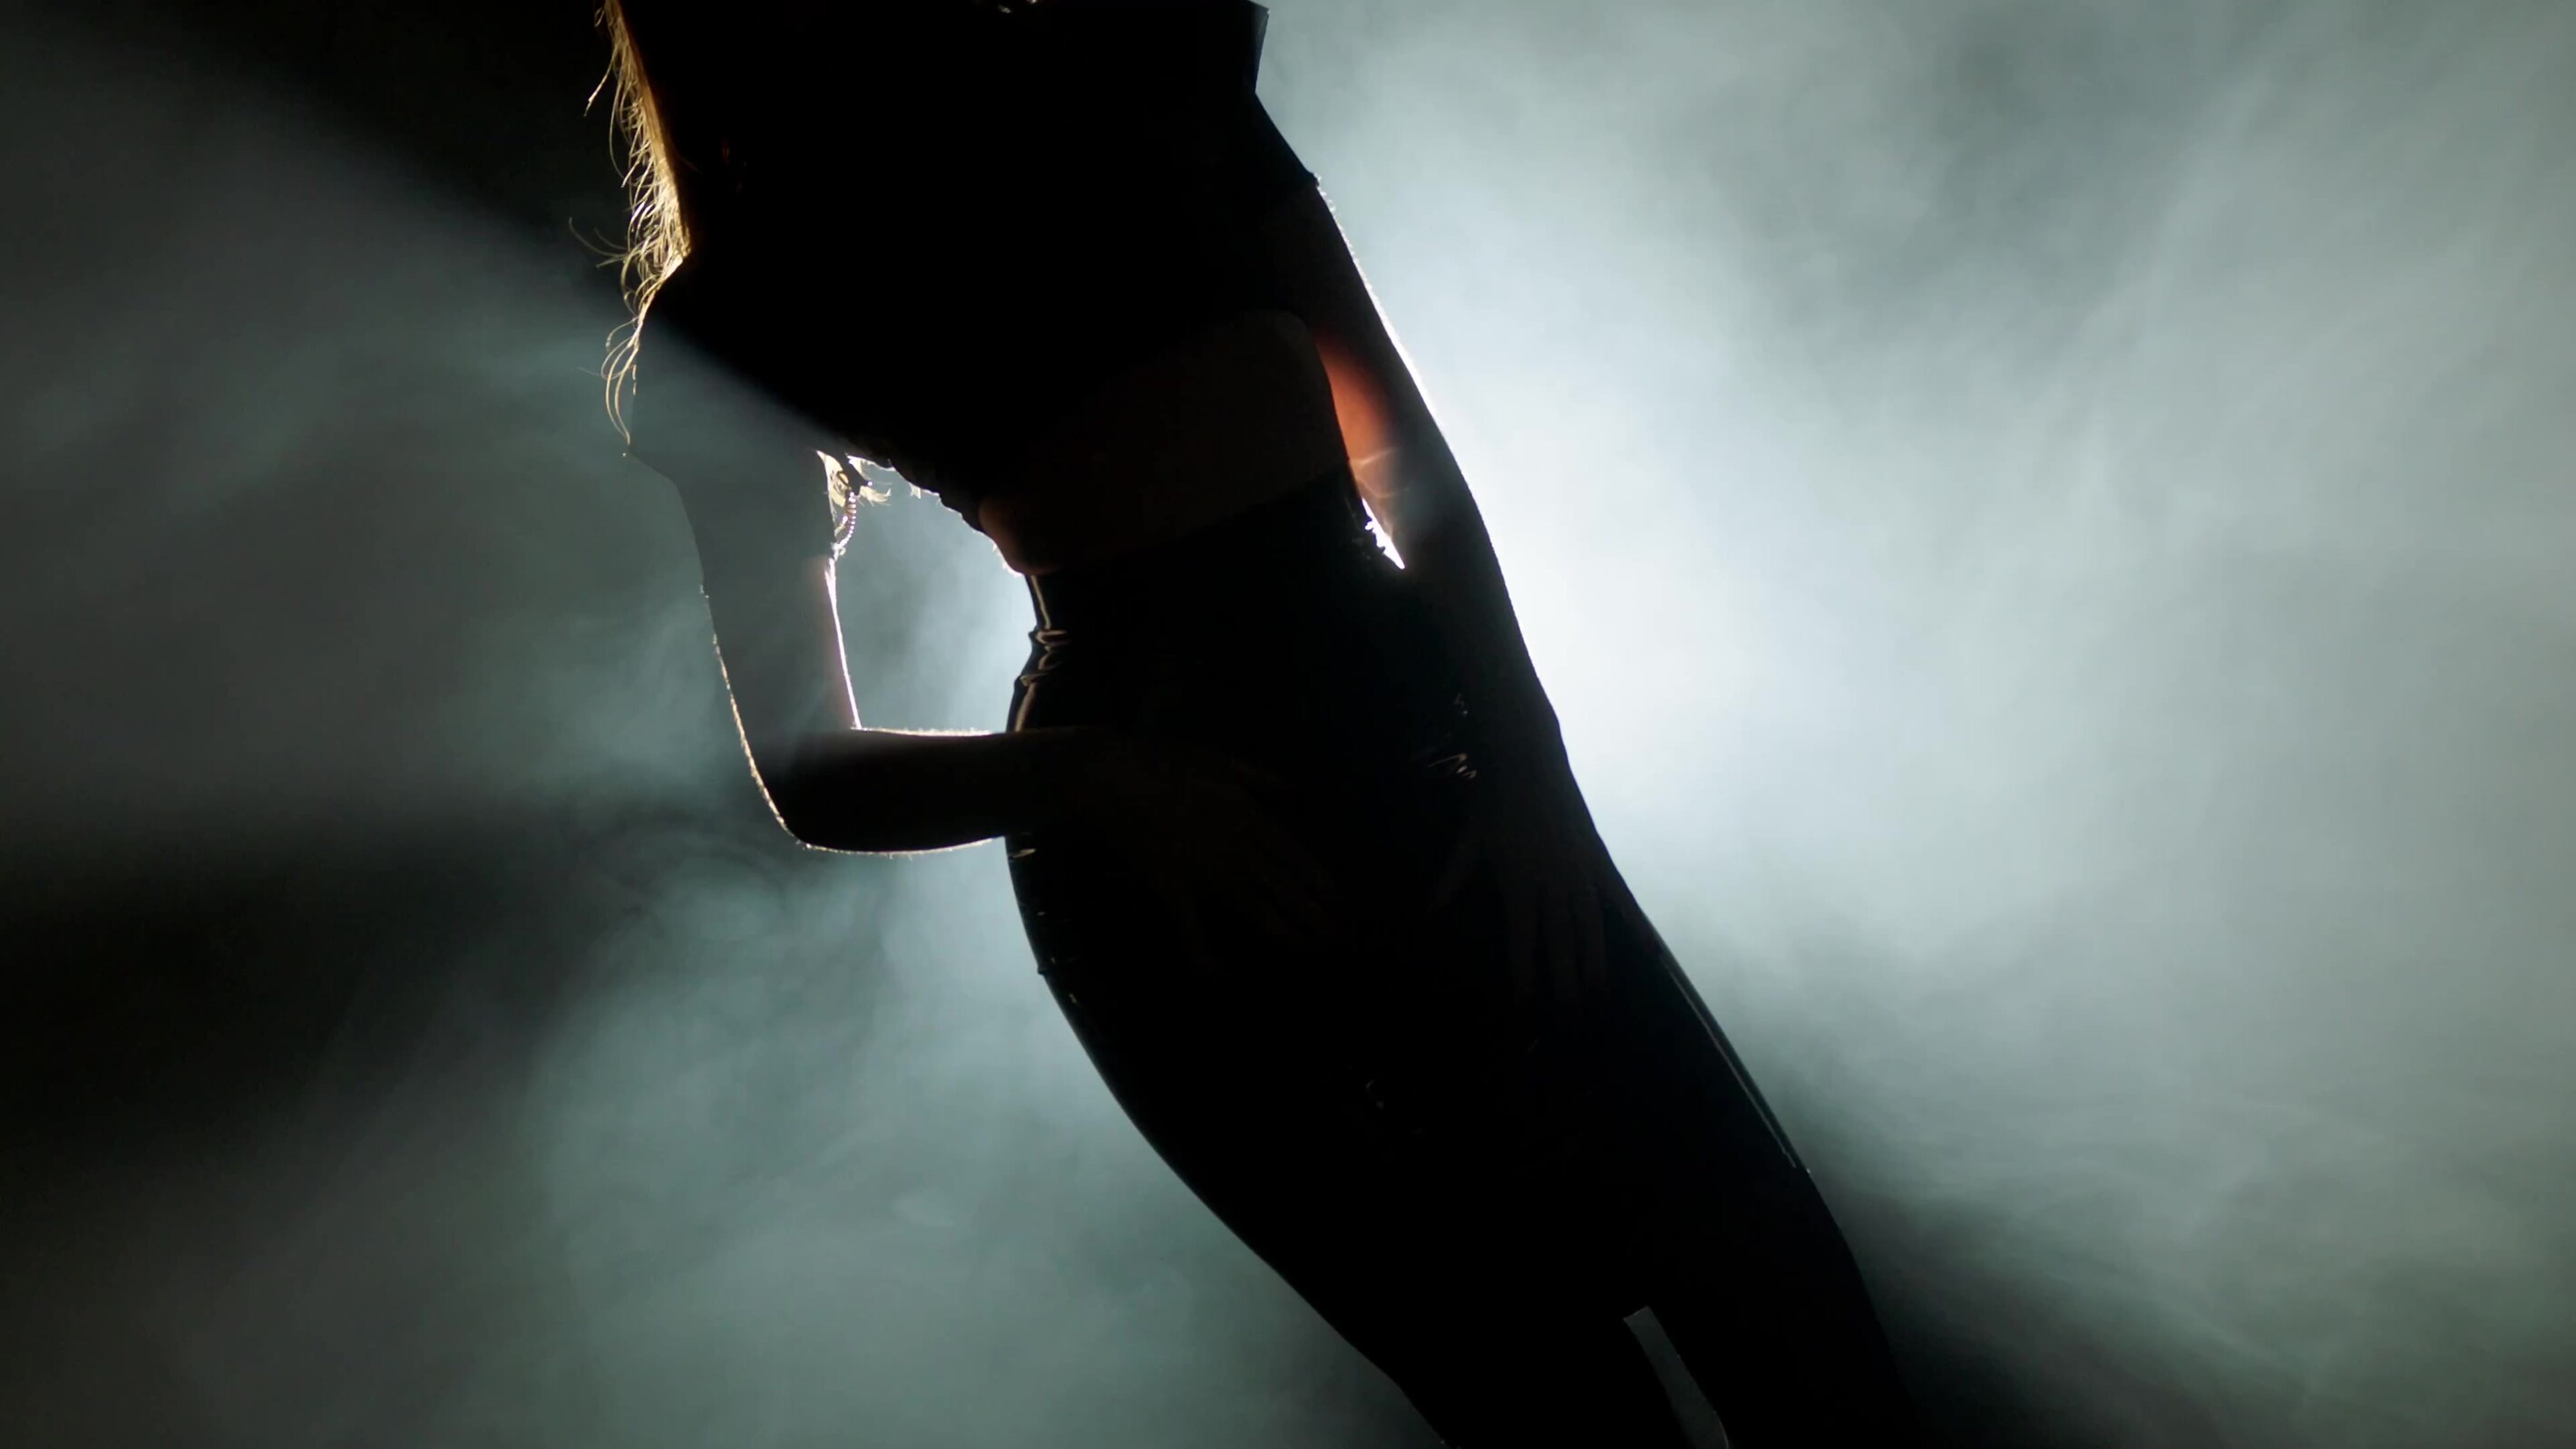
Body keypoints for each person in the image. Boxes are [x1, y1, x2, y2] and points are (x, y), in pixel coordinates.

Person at [600, 2, 1919, 1443]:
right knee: (1545, 1397)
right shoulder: (742, 308)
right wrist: (1113, 782)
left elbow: (1401, 453)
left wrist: (1530, 763)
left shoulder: (1139, 53)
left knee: (1784, 1313)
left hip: (1426, 745)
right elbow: (812, 771)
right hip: (1180, 895)